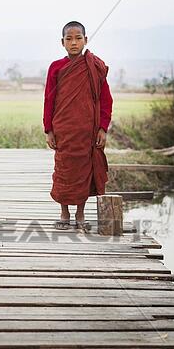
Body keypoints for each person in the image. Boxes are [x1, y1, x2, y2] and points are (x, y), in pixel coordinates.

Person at [43, 21, 113, 231]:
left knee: (84, 170)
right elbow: (49, 99)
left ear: (86, 39)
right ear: (62, 42)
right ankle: (64, 213)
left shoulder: (94, 66)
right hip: (64, 128)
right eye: (69, 39)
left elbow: (105, 99)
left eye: (78, 38)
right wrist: (49, 129)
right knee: (64, 169)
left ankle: (80, 214)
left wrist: (102, 127)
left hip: (87, 129)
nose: (74, 43)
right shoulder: (56, 67)